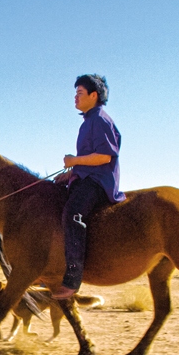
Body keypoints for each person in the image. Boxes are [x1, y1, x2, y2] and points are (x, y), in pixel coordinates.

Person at [51, 74, 125, 299]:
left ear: (94, 96)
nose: (75, 97)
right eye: (75, 93)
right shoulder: (89, 121)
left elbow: (104, 157)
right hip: (87, 177)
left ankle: (73, 278)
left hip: (98, 182)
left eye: (80, 93)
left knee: (73, 213)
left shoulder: (100, 119)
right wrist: (71, 173)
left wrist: (74, 161)